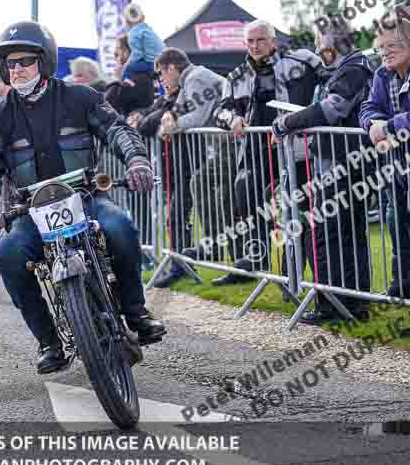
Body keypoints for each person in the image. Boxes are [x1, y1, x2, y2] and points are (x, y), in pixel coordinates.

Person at [0, 21, 165, 375]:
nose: (17, 69)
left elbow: (117, 130)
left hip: (85, 197)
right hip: (30, 212)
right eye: (10, 64)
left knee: (120, 227)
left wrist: (136, 159)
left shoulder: (81, 98)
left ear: (45, 62)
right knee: (8, 254)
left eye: (25, 61)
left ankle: (137, 313)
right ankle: (48, 341)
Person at [272, 20, 375, 323]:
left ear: (332, 42)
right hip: (341, 162)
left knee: (332, 234)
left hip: (344, 164)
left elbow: (333, 108)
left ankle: (336, 307)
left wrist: (287, 123)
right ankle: (350, 305)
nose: (317, 47)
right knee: (343, 234)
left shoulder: (354, 67)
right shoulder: (348, 67)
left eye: (319, 40)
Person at [213, 19, 323, 285]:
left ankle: (291, 275)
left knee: (294, 209)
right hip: (256, 150)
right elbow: (221, 110)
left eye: (260, 40)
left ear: (273, 40)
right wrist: (233, 120)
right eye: (250, 41)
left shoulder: (303, 61)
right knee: (245, 193)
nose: (255, 46)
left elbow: (327, 89)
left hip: (295, 150)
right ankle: (255, 257)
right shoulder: (237, 76)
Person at [146, 48, 228, 288]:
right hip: (216, 148)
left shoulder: (197, 78)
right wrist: (169, 120)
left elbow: (197, 118)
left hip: (229, 146)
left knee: (199, 190)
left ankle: (209, 249)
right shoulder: (190, 79)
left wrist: (169, 126)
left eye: (162, 73)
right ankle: (184, 262)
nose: (162, 80)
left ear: (172, 67)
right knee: (181, 207)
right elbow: (176, 113)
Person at [360, 6, 410, 300]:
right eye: (382, 47)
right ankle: (402, 288)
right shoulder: (382, 74)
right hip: (397, 168)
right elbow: (368, 108)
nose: (386, 52)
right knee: (396, 223)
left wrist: (388, 126)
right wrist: (372, 125)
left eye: (393, 45)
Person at [106, 34, 154, 117]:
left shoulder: (140, 75)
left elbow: (111, 101)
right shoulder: (135, 72)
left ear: (128, 51)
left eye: (118, 48)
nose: (115, 53)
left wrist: (118, 79)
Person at [121, 3, 165, 81]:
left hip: (152, 63)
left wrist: (127, 64)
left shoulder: (133, 33)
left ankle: (125, 86)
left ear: (127, 20)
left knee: (128, 68)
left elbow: (138, 54)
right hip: (163, 60)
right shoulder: (146, 28)